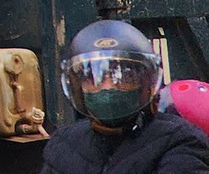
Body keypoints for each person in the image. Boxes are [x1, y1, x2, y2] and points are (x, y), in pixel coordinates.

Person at [45, 21, 209, 172]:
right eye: (94, 79)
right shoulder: (64, 144)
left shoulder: (180, 141)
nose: (108, 88)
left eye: (123, 78)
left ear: (144, 85)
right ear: (78, 87)